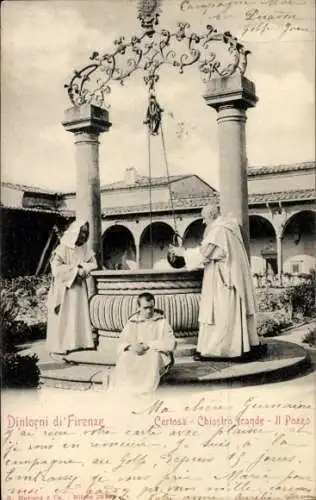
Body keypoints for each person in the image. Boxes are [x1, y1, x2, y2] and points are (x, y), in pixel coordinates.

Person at [169, 204, 259, 359]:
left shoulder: (219, 230)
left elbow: (204, 254)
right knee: (226, 314)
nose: (204, 222)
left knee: (220, 314)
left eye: (204, 218)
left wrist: (182, 252)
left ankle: (220, 350)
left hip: (222, 281)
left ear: (211, 215)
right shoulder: (230, 227)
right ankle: (238, 347)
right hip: (228, 277)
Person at [46, 219, 98, 356]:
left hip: (79, 288)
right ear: (75, 232)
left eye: (86, 233)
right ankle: (63, 345)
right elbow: (56, 269)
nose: (84, 236)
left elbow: (93, 263)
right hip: (64, 288)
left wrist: (83, 269)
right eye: (82, 232)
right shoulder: (63, 247)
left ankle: (79, 343)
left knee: (78, 314)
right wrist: (75, 271)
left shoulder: (85, 248)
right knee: (65, 316)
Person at [109, 292, 176, 394]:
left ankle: (145, 391)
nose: (149, 311)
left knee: (153, 357)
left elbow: (171, 343)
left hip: (155, 352)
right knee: (125, 357)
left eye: (151, 307)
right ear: (139, 308)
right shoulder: (133, 321)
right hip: (136, 351)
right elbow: (121, 342)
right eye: (145, 308)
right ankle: (126, 390)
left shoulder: (161, 321)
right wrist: (131, 347)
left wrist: (148, 345)